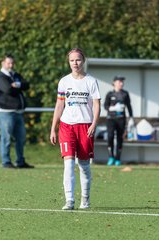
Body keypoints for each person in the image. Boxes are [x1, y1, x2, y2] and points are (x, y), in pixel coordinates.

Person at [50, 48, 101, 210]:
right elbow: (59, 105)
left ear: (83, 61)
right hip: (66, 126)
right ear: (68, 62)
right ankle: (69, 200)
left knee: (84, 165)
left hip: (85, 126)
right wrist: (53, 128)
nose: (75, 63)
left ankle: (85, 199)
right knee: (69, 163)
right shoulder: (64, 81)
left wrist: (94, 124)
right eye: (72, 60)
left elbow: (97, 105)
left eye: (78, 60)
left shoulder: (91, 81)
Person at [0, 54, 34, 169]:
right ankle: (6, 161)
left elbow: (26, 85)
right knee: (6, 137)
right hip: (5, 112)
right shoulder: (1, 77)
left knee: (21, 138)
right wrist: (17, 87)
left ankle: (20, 161)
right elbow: (8, 90)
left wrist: (18, 85)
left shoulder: (15, 75)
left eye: (12, 63)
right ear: (3, 63)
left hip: (18, 112)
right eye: (8, 63)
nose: (11, 65)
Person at [104, 76, 133, 166]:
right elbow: (105, 106)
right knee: (110, 136)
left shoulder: (125, 94)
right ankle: (111, 157)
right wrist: (113, 108)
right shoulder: (109, 94)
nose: (121, 83)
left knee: (120, 138)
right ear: (114, 83)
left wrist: (131, 117)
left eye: (122, 82)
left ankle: (118, 159)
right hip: (111, 119)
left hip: (121, 120)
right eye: (119, 81)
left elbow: (129, 106)